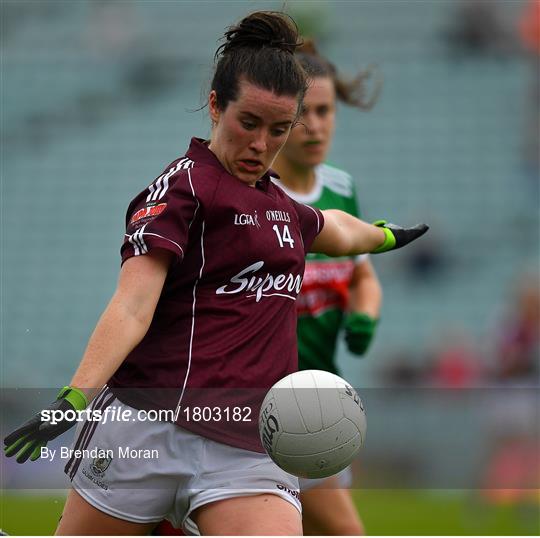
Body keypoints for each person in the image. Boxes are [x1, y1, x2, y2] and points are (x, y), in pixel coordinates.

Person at [4, 11, 427, 536]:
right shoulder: (181, 191)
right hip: (146, 428)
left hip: (249, 445)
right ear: (214, 105)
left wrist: (383, 236)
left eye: (278, 130)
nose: (260, 144)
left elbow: (335, 229)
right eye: (248, 123)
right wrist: (75, 397)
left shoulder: (281, 206)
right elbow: (133, 305)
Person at [272, 40, 381, 536]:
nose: (315, 125)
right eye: (302, 113)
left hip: (321, 394)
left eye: (325, 110)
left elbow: (361, 273)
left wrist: (364, 316)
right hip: (266, 402)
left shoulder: (342, 187)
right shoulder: (256, 192)